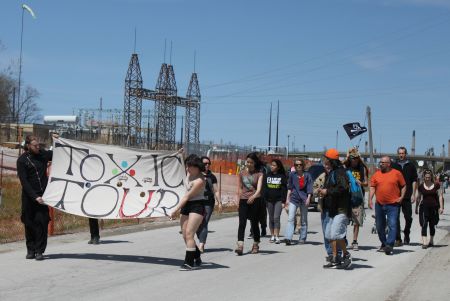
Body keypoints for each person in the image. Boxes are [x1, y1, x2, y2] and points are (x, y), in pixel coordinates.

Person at [17, 135, 53, 261]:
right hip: (29, 197)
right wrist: (34, 196)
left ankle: (39, 251)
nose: (38, 147)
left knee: (42, 224)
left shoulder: (43, 155)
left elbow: (57, 154)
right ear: (28, 146)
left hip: (43, 197)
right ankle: (30, 250)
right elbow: (24, 181)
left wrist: (57, 140)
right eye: (35, 146)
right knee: (29, 223)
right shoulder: (22, 160)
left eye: (39, 145)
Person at [170, 154, 205, 270]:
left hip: (197, 205)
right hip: (187, 205)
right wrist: (181, 154)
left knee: (190, 233)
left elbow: (186, 197)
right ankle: (197, 254)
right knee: (184, 234)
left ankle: (188, 262)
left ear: (197, 166)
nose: (187, 168)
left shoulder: (200, 181)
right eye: (187, 165)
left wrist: (175, 210)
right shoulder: (189, 172)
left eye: (190, 166)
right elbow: (179, 162)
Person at [318, 149, 352, 269]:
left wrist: (327, 191)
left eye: (326, 158)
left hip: (341, 209)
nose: (325, 160)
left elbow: (343, 188)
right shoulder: (332, 172)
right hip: (332, 208)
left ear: (331, 160)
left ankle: (346, 255)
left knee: (336, 234)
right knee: (329, 234)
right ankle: (335, 258)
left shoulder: (340, 172)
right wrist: (324, 193)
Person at [369, 156, 406, 255]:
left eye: (383, 163)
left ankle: (389, 244)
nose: (381, 164)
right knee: (379, 226)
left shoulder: (397, 174)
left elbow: (403, 186)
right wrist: (370, 199)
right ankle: (384, 243)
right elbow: (372, 187)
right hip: (379, 204)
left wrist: (401, 197)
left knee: (392, 224)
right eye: (380, 162)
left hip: (393, 205)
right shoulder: (376, 174)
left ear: (389, 164)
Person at [235, 152, 264, 255]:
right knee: (242, 223)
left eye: (251, 162)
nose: (248, 164)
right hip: (243, 200)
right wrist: (238, 200)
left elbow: (259, 189)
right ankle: (240, 245)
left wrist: (254, 196)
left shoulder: (259, 174)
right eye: (247, 162)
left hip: (255, 200)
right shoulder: (241, 173)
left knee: (254, 223)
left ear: (255, 163)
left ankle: (256, 243)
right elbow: (239, 188)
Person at [391, 146, 418, 246]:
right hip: (396, 196)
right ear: (398, 154)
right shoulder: (394, 165)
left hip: (407, 196)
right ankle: (398, 239)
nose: (401, 155)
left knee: (408, 217)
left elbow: (414, 180)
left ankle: (406, 233)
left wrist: (413, 194)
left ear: (405, 154)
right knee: (395, 218)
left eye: (403, 153)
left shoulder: (411, 166)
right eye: (400, 153)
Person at [343, 147, 369, 251]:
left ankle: (354, 241)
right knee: (344, 220)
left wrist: (361, 183)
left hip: (358, 197)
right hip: (346, 197)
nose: (354, 160)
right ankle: (343, 239)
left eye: (356, 158)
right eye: (352, 158)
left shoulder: (362, 168)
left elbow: (367, 183)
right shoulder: (345, 167)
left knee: (357, 221)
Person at [196, 156, 222, 253]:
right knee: (197, 224)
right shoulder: (196, 174)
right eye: (205, 163)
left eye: (208, 163)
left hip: (208, 203)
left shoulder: (212, 177)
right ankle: (201, 239)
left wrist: (219, 202)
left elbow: (216, 190)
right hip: (197, 202)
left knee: (204, 223)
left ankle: (201, 245)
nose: (207, 165)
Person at [285, 158, 313, 245]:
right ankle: (288, 238)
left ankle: (302, 238)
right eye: (296, 165)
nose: (298, 166)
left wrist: (308, 198)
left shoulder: (307, 175)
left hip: (304, 199)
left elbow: (309, 188)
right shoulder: (292, 175)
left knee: (303, 220)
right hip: (294, 199)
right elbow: (290, 187)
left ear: (303, 166)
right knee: (290, 218)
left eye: (300, 164)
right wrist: (287, 199)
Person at [415, 169, 444, 248]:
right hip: (424, 207)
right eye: (426, 177)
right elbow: (418, 197)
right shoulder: (421, 186)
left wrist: (441, 207)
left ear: (431, 177)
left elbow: (440, 196)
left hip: (434, 207)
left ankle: (431, 240)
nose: (427, 178)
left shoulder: (436, 185)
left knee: (432, 224)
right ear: (424, 177)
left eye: (429, 177)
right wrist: (416, 207)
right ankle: (424, 242)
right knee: (424, 224)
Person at [263, 159, 287, 244]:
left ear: (278, 167)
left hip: (278, 200)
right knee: (271, 218)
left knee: (276, 217)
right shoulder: (267, 175)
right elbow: (264, 188)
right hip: (269, 200)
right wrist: (264, 199)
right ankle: (272, 235)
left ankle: (277, 236)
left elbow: (284, 189)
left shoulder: (282, 176)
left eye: (274, 165)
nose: (271, 166)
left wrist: (284, 201)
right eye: (271, 165)